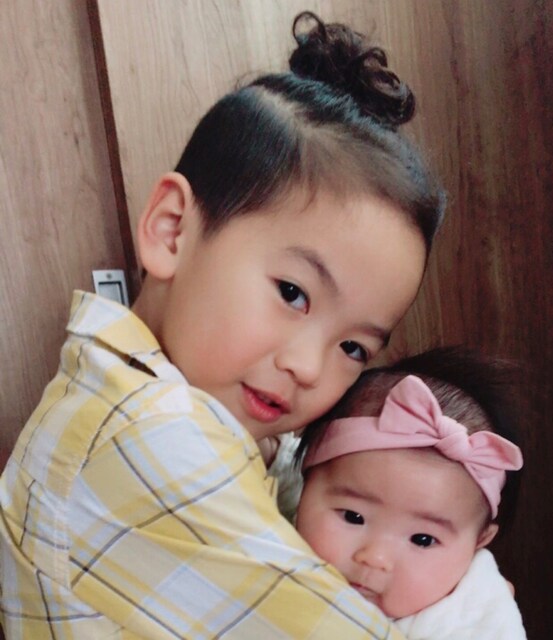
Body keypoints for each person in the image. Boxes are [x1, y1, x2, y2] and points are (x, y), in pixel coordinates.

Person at [0, 11, 445, 640]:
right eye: (292, 293)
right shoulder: (152, 433)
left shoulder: (119, 389)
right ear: (172, 230)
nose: (308, 368)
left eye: (353, 347)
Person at [273, 348, 526, 639]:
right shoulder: (266, 520)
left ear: (478, 544)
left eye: (422, 539)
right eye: (353, 517)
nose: (375, 557)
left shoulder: (470, 619)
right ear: (305, 485)